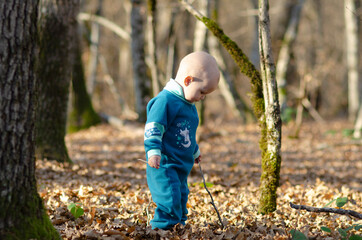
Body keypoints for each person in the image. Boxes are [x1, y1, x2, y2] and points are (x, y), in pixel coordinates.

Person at [144, 51, 220, 230]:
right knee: (169, 199)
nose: (202, 97)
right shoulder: (166, 101)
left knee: (181, 196)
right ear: (188, 81)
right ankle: (161, 230)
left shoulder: (189, 106)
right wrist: (153, 150)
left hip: (181, 166)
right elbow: (154, 127)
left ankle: (179, 226)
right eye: (202, 92)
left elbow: (187, 133)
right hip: (164, 163)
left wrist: (194, 151)